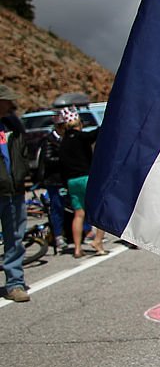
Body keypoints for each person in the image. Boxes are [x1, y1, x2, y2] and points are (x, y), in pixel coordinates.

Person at [58, 107, 107, 258]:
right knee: (101, 210)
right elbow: (96, 134)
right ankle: (97, 241)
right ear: (79, 123)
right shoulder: (80, 137)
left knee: (79, 214)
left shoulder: (63, 142)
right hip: (86, 178)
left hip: (72, 181)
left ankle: (77, 248)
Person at [1, 84, 31, 302]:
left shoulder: (13, 125)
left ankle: (15, 283)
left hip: (14, 191)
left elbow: (22, 153)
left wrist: (23, 176)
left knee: (15, 238)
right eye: (7, 101)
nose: (12, 104)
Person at [41, 111, 69, 252]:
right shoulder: (49, 140)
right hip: (54, 180)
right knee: (57, 208)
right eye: (62, 126)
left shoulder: (67, 138)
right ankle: (58, 235)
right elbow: (47, 159)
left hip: (66, 179)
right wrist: (64, 160)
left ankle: (79, 233)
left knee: (74, 207)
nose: (64, 128)